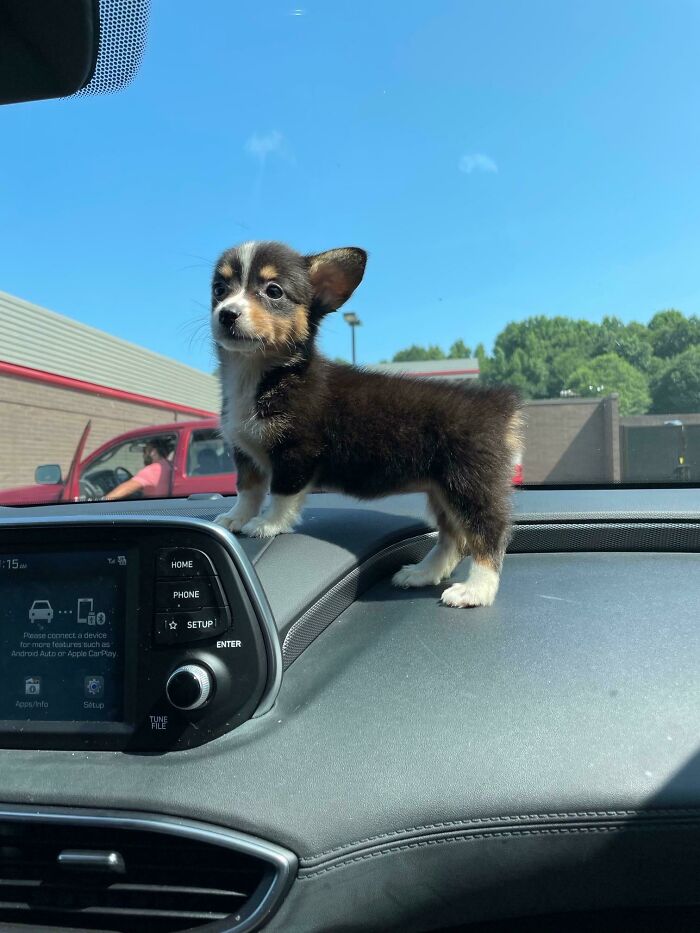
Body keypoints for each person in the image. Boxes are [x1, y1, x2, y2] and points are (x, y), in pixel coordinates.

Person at [104, 438, 173, 501]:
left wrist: (102, 501)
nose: (143, 455)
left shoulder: (153, 469)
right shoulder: (169, 465)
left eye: (145, 451)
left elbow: (127, 488)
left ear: (153, 452)